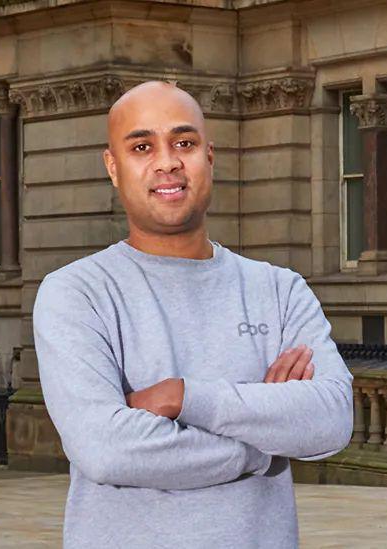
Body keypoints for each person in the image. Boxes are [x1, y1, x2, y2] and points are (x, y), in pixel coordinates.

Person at [33, 81, 353, 548]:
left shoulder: (279, 289)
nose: (167, 162)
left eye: (184, 142)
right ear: (113, 167)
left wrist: (185, 398)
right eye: (142, 146)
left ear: (209, 156)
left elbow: (331, 419)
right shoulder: (76, 293)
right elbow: (106, 450)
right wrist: (262, 443)